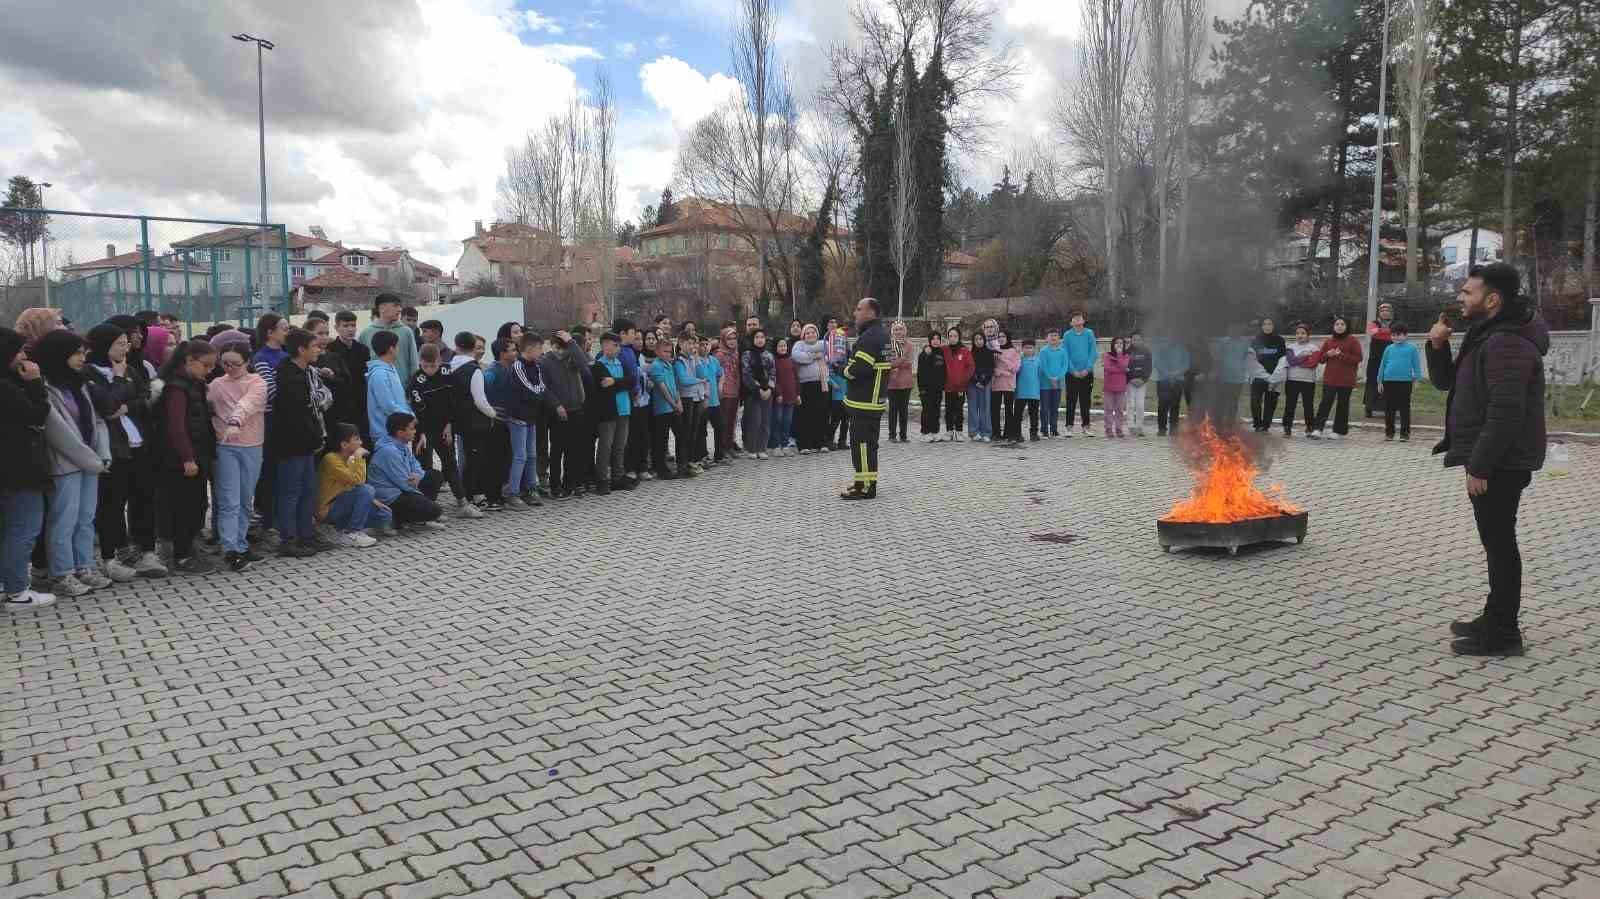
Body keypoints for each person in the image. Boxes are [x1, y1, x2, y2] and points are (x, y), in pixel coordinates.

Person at [1427, 263, 1548, 656]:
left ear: (1492, 299)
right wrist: (1437, 346)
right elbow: (1449, 383)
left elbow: (1505, 413)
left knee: (1499, 544)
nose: (1460, 297)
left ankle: (1505, 632)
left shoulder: (1506, 342)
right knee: (1495, 541)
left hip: (1501, 461)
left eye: (1468, 292)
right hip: (1493, 456)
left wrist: (1480, 465)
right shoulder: (1486, 334)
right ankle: (1494, 617)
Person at [34, 331, 112, 597]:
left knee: (86, 518)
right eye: (77, 353)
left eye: (83, 353)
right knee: (63, 520)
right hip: (65, 466)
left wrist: (103, 453)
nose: (82, 358)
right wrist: (94, 460)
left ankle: (85, 566)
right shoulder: (45, 388)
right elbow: (59, 434)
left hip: (90, 463)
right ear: (59, 354)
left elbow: (96, 420)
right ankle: (61, 573)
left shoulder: (79, 384)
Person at [84, 324, 162, 581]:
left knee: (143, 499)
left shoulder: (130, 370)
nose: (125, 348)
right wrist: (118, 383)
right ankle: (110, 556)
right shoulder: (90, 374)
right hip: (114, 450)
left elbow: (145, 399)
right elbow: (106, 406)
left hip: (139, 445)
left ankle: (148, 551)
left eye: (126, 343)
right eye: (119, 343)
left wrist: (126, 405)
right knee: (112, 504)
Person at [2, 327, 57, 608]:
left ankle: (6, 585)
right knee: (23, 529)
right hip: (19, 468)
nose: (24, 356)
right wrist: (35, 383)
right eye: (19, 351)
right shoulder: (7, 387)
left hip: (11, 469)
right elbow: (36, 414)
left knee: (8, 529)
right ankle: (17, 592)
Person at [156, 339, 220, 575]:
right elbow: (176, 427)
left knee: (198, 505)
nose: (210, 370)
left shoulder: (195, 384)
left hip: (199, 454)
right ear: (190, 360)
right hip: (182, 460)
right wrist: (187, 457)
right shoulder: (177, 388)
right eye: (206, 365)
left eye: (213, 366)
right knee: (184, 507)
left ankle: (189, 549)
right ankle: (182, 556)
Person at [208, 345, 269, 572]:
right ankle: (229, 548)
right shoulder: (216, 385)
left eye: (236, 363)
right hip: (225, 447)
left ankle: (241, 544)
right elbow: (207, 406)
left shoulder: (257, 382)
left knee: (245, 499)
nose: (230, 368)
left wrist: (235, 421)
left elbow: (248, 404)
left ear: (247, 362)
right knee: (229, 500)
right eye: (225, 364)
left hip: (252, 445)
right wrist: (225, 426)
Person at [272, 328, 327, 558]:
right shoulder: (288, 376)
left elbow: (316, 406)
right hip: (292, 445)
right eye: (314, 346)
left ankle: (306, 535)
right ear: (301, 349)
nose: (318, 350)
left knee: (308, 491)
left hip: (307, 444)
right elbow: (296, 417)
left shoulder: (305, 372)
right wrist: (312, 436)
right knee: (291, 492)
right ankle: (288, 539)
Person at [409, 343, 480, 520]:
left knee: (450, 463)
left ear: (440, 361)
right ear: (420, 363)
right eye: (425, 366)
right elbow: (418, 409)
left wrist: (449, 425)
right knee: (425, 468)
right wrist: (422, 433)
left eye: (433, 366)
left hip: (444, 428)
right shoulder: (416, 380)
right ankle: (428, 507)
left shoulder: (448, 373)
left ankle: (462, 502)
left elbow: (453, 401)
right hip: (423, 431)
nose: (429, 370)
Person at [841, 298, 890, 500]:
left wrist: (845, 370)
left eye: (859, 309)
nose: (855, 313)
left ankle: (866, 487)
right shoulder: (881, 335)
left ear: (871, 314)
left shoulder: (870, 337)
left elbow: (859, 368)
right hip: (873, 400)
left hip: (864, 401)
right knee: (868, 444)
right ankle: (862, 481)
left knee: (861, 445)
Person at [368, 413, 446, 531]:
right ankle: (396, 520)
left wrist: (419, 476)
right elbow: (404, 482)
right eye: (411, 428)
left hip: (405, 488)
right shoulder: (389, 451)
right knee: (435, 510)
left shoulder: (402, 445)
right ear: (400, 433)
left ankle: (419, 519)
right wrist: (423, 499)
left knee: (435, 475)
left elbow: (416, 465)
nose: (415, 431)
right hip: (391, 497)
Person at [315, 424, 385, 548]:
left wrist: (371, 500)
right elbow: (359, 481)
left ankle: (341, 529)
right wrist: (359, 457)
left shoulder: (350, 458)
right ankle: (352, 533)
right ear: (344, 444)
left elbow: (358, 483)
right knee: (368, 490)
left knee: (384, 515)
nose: (361, 442)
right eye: (357, 439)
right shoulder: (330, 459)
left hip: (345, 504)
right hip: (329, 508)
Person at [504, 333, 549, 507]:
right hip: (518, 417)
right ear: (530, 348)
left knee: (532, 455)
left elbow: (541, 386)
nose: (541, 352)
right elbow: (528, 387)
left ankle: (531, 488)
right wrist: (539, 394)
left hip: (532, 416)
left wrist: (540, 394)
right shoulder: (517, 366)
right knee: (520, 456)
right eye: (539, 349)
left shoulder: (536, 366)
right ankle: (513, 493)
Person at [540, 330, 586, 497]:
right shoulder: (545, 362)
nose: (561, 352)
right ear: (552, 346)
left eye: (564, 349)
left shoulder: (571, 357)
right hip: (557, 412)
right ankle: (555, 485)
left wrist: (572, 343)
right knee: (557, 449)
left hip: (576, 409)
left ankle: (569, 483)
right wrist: (556, 405)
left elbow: (584, 364)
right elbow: (543, 388)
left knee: (573, 450)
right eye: (557, 348)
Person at [589, 332, 636, 494]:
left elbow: (631, 381)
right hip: (607, 413)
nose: (617, 349)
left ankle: (618, 477)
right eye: (614, 345)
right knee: (605, 446)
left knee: (620, 446)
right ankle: (602, 479)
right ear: (604, 346)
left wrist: (615, 382)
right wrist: (620, 384)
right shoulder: (597, 365)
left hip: (624, 409)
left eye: (618, 346)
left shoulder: (620, 363)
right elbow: (604, 386)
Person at [1310, 316, 1363, 439]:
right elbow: (1321, 359)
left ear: (1346, 326)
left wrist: (1340, 355)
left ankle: (1338, 431)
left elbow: (1358, 358)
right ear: (1333, 327)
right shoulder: (1328, 341)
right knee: (1325, 403)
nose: (1339, 326)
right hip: (1330, 379)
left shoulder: (1353, 340)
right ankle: (1317, 428)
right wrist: (1328, 354)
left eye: (1342, 324)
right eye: (1337, 324)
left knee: (1342, 405)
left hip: (1346, 380)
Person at [327, 310, 372, 445]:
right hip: (339, 404)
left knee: (362, 439)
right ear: (337, 328)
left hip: (360, 402)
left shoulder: (362, 350)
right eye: (345, 326)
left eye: (353, 325)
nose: (350, 329)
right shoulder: (331, 349)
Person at [365, 331, 411, 454]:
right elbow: (388, 405)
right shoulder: (379, 374)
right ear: (391, 348)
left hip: (397, 431)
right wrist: (409, 417)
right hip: (384, 433)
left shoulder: (390, 368)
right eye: (397, 345)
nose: (398, 349)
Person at [360, 293, 420, 384]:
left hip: (403, 387)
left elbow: (414, 363)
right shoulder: (366, 334)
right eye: (395, 306)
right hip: (377, 387)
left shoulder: (406, 332)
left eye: (400, 306)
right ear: (382, 308)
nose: (399, 309)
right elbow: (362, 365)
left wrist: (413, 385)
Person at [1377, 322, 1422, 441]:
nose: (1396, 337)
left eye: (1399, 334)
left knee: (1404, 408)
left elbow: (1416, 364)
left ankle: (1405, 433)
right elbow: (1382, 364)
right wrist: (1379, 381)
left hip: (1405, 382)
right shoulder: (1388, 348)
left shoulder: (1411, 348)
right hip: (1388, 381)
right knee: (1389, 408)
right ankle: (1389, 433)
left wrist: (1417, 379)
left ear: (1406, 335)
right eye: (1393, 335)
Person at [648, 339, 686, 480]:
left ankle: (681, 464)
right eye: (665, 351)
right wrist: (673, 404)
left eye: (670, 351)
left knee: (681, 435)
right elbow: (662, 388)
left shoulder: (669, 365)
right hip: (662, 408)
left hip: (674, 406)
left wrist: (679, 401)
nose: (668, 354)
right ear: (657, 351)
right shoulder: (656, 366)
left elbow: (674, 386)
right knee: (661, 440)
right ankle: (660, 469)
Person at [791, 324, 829, 454]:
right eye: (807, 333)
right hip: (805, 384)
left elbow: (827, 352)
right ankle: (804, 444)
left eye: (813, 332)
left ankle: (821, 442)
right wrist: (814, 356)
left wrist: (809, 355)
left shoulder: (823, 344)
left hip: (821, 383)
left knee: (820, 414)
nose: (810, 335)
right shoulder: (799, 345)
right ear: (803, 335)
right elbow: (798, 357)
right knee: (804, 415)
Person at [676, 331, 710, 471]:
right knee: (686, 431)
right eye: (688, 343)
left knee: (694, 430)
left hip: (697, 397)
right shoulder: (679, 361)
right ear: (680, 344)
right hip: (686, 398)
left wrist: (697, 359)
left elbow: (704, 375)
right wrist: (699, 381)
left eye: (693, 343)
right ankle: (683, 462)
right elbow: (683, 380)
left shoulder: (693, 359)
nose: (692, 346)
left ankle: (691, 459)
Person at [740, 329, 776, 460]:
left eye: (762, 337)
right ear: (752, 339)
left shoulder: (769, 355)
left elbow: (773, 373)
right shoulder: (747, 355)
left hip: (768, 392)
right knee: (755, 420)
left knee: (765, 421)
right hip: (753, 392)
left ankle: (762, 448)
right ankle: (752, 448)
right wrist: (758, 389)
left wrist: (770, 389)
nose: (760, 339)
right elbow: (746, 374)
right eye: (757, 337)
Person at [1247, 318, 1288, 433]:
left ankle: (1266, 425)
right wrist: (1263, 375)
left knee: (1271, 402)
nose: (1267, 326)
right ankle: (1257, 424)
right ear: (1261, 326)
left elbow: (1283, 359)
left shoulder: (1280, 340)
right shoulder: (1255, 340)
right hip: (1258, 377)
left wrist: (1274, 377)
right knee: (1255, 401)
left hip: (1274, 378)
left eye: (1270, 324)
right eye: (1264, 324)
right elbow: (1251, 360)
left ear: (1274, 325)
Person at [1062, 312, 1098, 437]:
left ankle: (1086, 426)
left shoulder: (1089, 333)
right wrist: (1073, 371)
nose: (1077, 321)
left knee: (1085, 400)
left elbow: (1093, 352)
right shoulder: (1067, 335)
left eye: (1079, 319)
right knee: (1071, 400)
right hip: (1071, 374)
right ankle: (1069, 427)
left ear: (1083, 321)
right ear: (1071, 323)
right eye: (1075, 319)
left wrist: (1087, 369)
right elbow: (1065, 354)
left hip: (1087, 373)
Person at [1282, 323, 1319, 438]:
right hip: (1292, 380)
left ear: (1308, 335)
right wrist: (1304, 357)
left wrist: (1299, 360)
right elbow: (1291, 362)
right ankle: (1287, 427)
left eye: (1303, 333)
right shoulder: (1290, 347)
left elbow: (1313, 364)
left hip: (1308, 381)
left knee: (1308, 405)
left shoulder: (1314, 348)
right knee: (1290, 405)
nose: (1300, 335)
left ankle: (1310, 427)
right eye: (1298, 333)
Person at [1152, 336, 1190, 437]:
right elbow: (1157, 363)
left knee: (1175, 405)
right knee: (1162, 405)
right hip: (1163, 380)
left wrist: (1176, 374)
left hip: (1178, 380)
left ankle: (1174, 429)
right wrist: (1168, 374)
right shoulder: (1160, 348)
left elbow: (1186, 364)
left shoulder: (1182, 349)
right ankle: (1162, 429)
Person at [714, 327, 743, 458]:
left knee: (732, 420)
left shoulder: (736, 353)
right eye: (729, 339)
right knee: (723, 421)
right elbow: (716, 374)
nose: (732, 341)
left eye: (734, 338)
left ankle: (730, 446)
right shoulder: (719, 354)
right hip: (723, 391)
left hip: (735, 390)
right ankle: (722, 448)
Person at [1365, 301, 1396, 417]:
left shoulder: (1396, 323)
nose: (1385, 312)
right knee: (1373, 381)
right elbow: (1374, 334)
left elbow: (1399, 334)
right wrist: (1390, 333)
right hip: (1376, 358)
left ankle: (1391, 407)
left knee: (1391, 381)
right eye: (1382, 310)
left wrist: (1381, 332)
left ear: (1391, 312)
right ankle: (1369, 407)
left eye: (1387, 310)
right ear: (1379, 312)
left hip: (1392, 357)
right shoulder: (1374, 323)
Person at [885, 321, 914, 444]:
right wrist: (902, 359)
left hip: (906, 382)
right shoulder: (888, 345)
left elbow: (909, 362)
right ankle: (892, 435)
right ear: (892, 332)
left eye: (900, 329)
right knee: (893, 409)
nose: (898, 332)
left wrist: (897, 362)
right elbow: (888, 363)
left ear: (904, 331)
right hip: (892, 382)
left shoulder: (909, 345)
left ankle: (903, 435)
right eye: (896, 329)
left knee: (904, 410)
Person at [942, 327, 972, 442]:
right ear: (948, 338)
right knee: (948, 409)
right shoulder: (944, 350)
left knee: (959, 409)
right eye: (950, 336)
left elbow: (970, 367)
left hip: (960, 387)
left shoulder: (964, 351)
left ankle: (959, 431)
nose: (953, 338)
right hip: (948, 386)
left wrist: (963, 380)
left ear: (959, 337)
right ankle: (949, 431)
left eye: (955, 336)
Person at [991, 330, 1020, 444]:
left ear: (1008, 337)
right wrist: (997, 371)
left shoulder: (1014, 351)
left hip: (1008, 385)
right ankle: (996, 433)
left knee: (1009, 410)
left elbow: (1015, 369)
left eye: (1003, 336)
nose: (1001, 338)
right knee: (995, 410)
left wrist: (1002, 358)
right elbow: (990, 367)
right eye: (999, 337)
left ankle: (1009, 433)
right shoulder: (993, 351)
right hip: (996, 384)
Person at [771, 338, 799, 456]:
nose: (783, 348)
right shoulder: (773, 361)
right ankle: (775, 445)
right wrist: (778, 393)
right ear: (775, 348)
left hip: (791, 396)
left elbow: (796, 378)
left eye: (784, 346)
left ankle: (785, 444)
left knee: (787, 421)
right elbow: (774, 378)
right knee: (777, 420)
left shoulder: (791, 361)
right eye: (780, 346)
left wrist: (798, 394)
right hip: (779, 397)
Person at [967, 324, 995, 442]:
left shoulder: (989, 353)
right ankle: (974, 432)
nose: (978, 341)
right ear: (973, 341)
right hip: (972, 383)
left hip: (985, 383)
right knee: (973, 407)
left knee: (985, 407)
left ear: (984, 340)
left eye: (980, 339)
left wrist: (983, 382)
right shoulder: (970, 353)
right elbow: (968, 368)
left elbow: (991, 369)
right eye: (976, 339)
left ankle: (986, 432)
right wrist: (975, 381)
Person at [917, 331, 946, 443]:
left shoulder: (941, 353)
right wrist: (922, 388)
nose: (935, 341)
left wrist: (943, 384)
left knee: (936, 410)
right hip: (926, 389)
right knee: (927, 410)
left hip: (938, 388)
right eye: (933, 338)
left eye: (937, 338)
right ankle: (925, 432)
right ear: (929, 340)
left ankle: (935, 431)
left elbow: (943, 371)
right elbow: (920, 373)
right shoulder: (924, 354)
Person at [1038, 329, 1067, 438]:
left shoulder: (1063, 351)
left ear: (1059, 338)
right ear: (1047, 338)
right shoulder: (1043, 351)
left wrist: (1058, 378)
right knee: (1045, 408)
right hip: (1045, 385)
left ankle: (1054, 429)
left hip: (1058, 384)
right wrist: (1050, 378)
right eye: (1051, 335)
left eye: (1056, 335)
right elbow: (1043, 366)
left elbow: (1065, 366)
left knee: (1055, 408)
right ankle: (1044, 429)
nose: (1053, 337)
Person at [1102, 336, 1130, 439]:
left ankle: (1119, 429)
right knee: (1108, 409)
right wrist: (1122, 370)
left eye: (1121, 343)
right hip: (1109, 386)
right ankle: (1108, 429)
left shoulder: (1126, 356)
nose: (1119, 345)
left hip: (1121, 387)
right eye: (1117, 343)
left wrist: (1119, 355)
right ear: (1113, 345)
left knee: (1120, 409)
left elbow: (1123, 366)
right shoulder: (1107, 355)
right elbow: (1108, 368)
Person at [1125, 331, 1152, 437]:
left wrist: (1143, 380)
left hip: (1142, 383)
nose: (1136, 341)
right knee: (1130, 405)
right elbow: (1124, 367)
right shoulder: (1126, 352)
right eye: (1134, 339)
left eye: (1138, 339)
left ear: (1142, 340)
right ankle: (1131, 427)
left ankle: (1139, 427)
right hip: (1130, 383)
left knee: (1140, 405)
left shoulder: (1147, 351)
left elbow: (1149, 367)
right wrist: (1130, 379)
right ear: (1131, 340)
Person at [1015, 339, 1042, 441]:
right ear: (1022, 349)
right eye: (1026, 348)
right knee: (1018, 414)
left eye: (1030, 348)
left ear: (1034, 349)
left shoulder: (1038, 361)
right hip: (1020, 393)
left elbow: (1039, 376)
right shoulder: (1019, 360)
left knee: (1034, 414)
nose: (1028, 350)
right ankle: (1017, 433)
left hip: (1034, 393)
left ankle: (1034, 433)